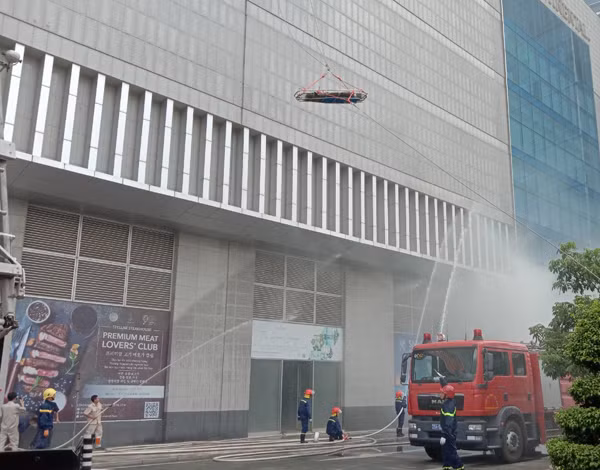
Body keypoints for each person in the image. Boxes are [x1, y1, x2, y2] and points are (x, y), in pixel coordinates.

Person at [439, 384, 464, 470]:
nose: (440, 394)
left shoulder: (447, 405)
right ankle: (447, 465)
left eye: (442, 393)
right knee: (446, 450)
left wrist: (444, 434)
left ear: (447, 395)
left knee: (451, 450)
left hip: (449, 432)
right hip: (449, 431)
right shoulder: (450, 402)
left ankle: (459, 466)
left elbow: (448, 421)